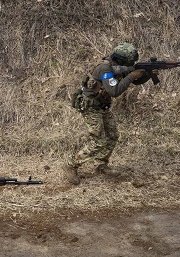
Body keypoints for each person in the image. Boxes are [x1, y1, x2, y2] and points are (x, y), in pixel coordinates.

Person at [64, 42, 152, 185]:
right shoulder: (105, 69)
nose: (131, 64)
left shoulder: (117, 67)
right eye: (130, 62)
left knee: (113, 136)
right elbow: (114, 91)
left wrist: (147, 74)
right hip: (90, 106)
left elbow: (135, 80)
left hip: (102, 106)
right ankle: (70, 164)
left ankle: (101, 166)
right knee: (99, 141)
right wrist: (131, 77)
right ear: (122, 59)